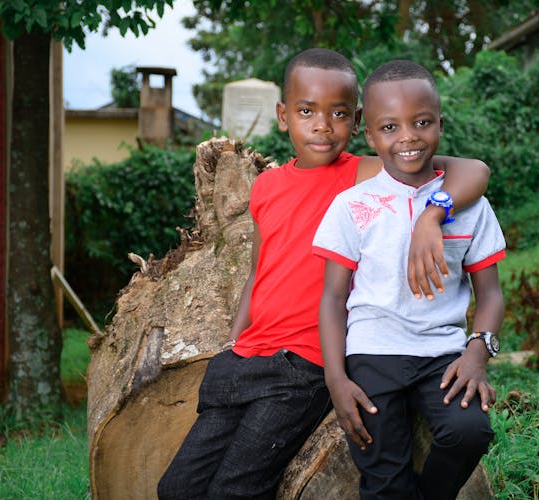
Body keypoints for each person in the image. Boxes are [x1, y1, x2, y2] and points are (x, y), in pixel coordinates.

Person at [157, 49, 491, 499]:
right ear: (283, 116)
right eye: (307, 111)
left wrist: (435, 213)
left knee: (235, 489)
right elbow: (259, 271)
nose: (322, 125)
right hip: (249, 358)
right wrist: (234, 344)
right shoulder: (267, 186)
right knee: (175, 488)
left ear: (357, 124)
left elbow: (473, 169)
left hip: (307, 362)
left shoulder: (363, 172)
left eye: (337, 113)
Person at [313, 59, 506, 500]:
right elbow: (332, 297)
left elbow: (490, 293)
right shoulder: (352, 205)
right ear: (370, 134)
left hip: (441, 353)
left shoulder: (471, 205)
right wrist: (336, 379)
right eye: (390, 127)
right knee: (384, 478)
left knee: (470, 432)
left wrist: (479, 351)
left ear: (441, 123)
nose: (407, 138)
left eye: (421, 122)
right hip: (372, 354)